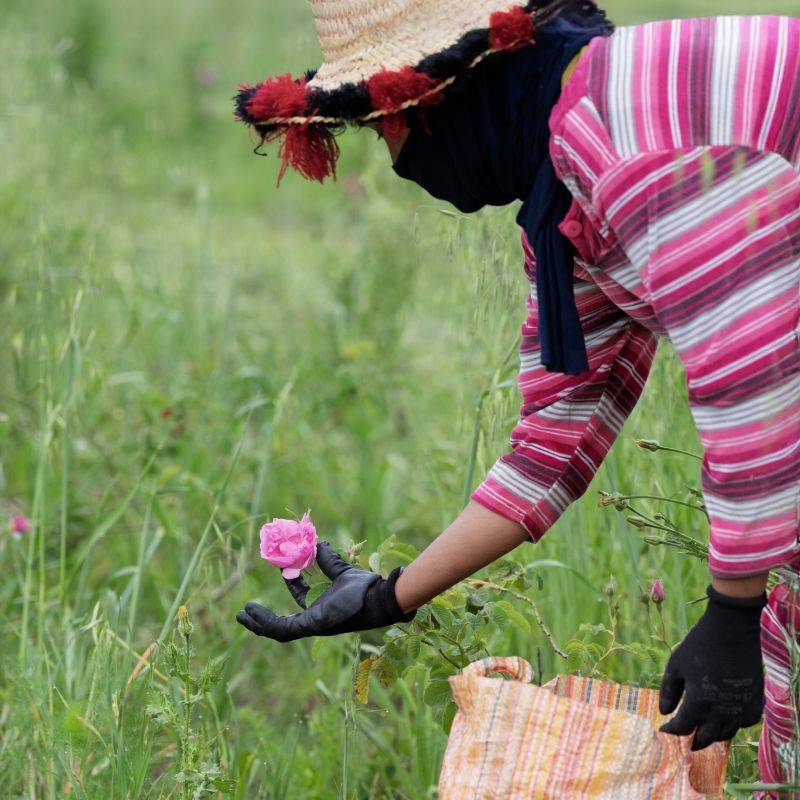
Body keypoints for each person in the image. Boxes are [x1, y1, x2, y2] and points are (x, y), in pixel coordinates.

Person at [233, 0, 800, 782]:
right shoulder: (562, 188)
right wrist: (388, 597)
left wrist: (733, 612)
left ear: (448, 93)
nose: (394, 155)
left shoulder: (627, 142)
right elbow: (556, 435)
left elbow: (757, 384)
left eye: (388, 121)